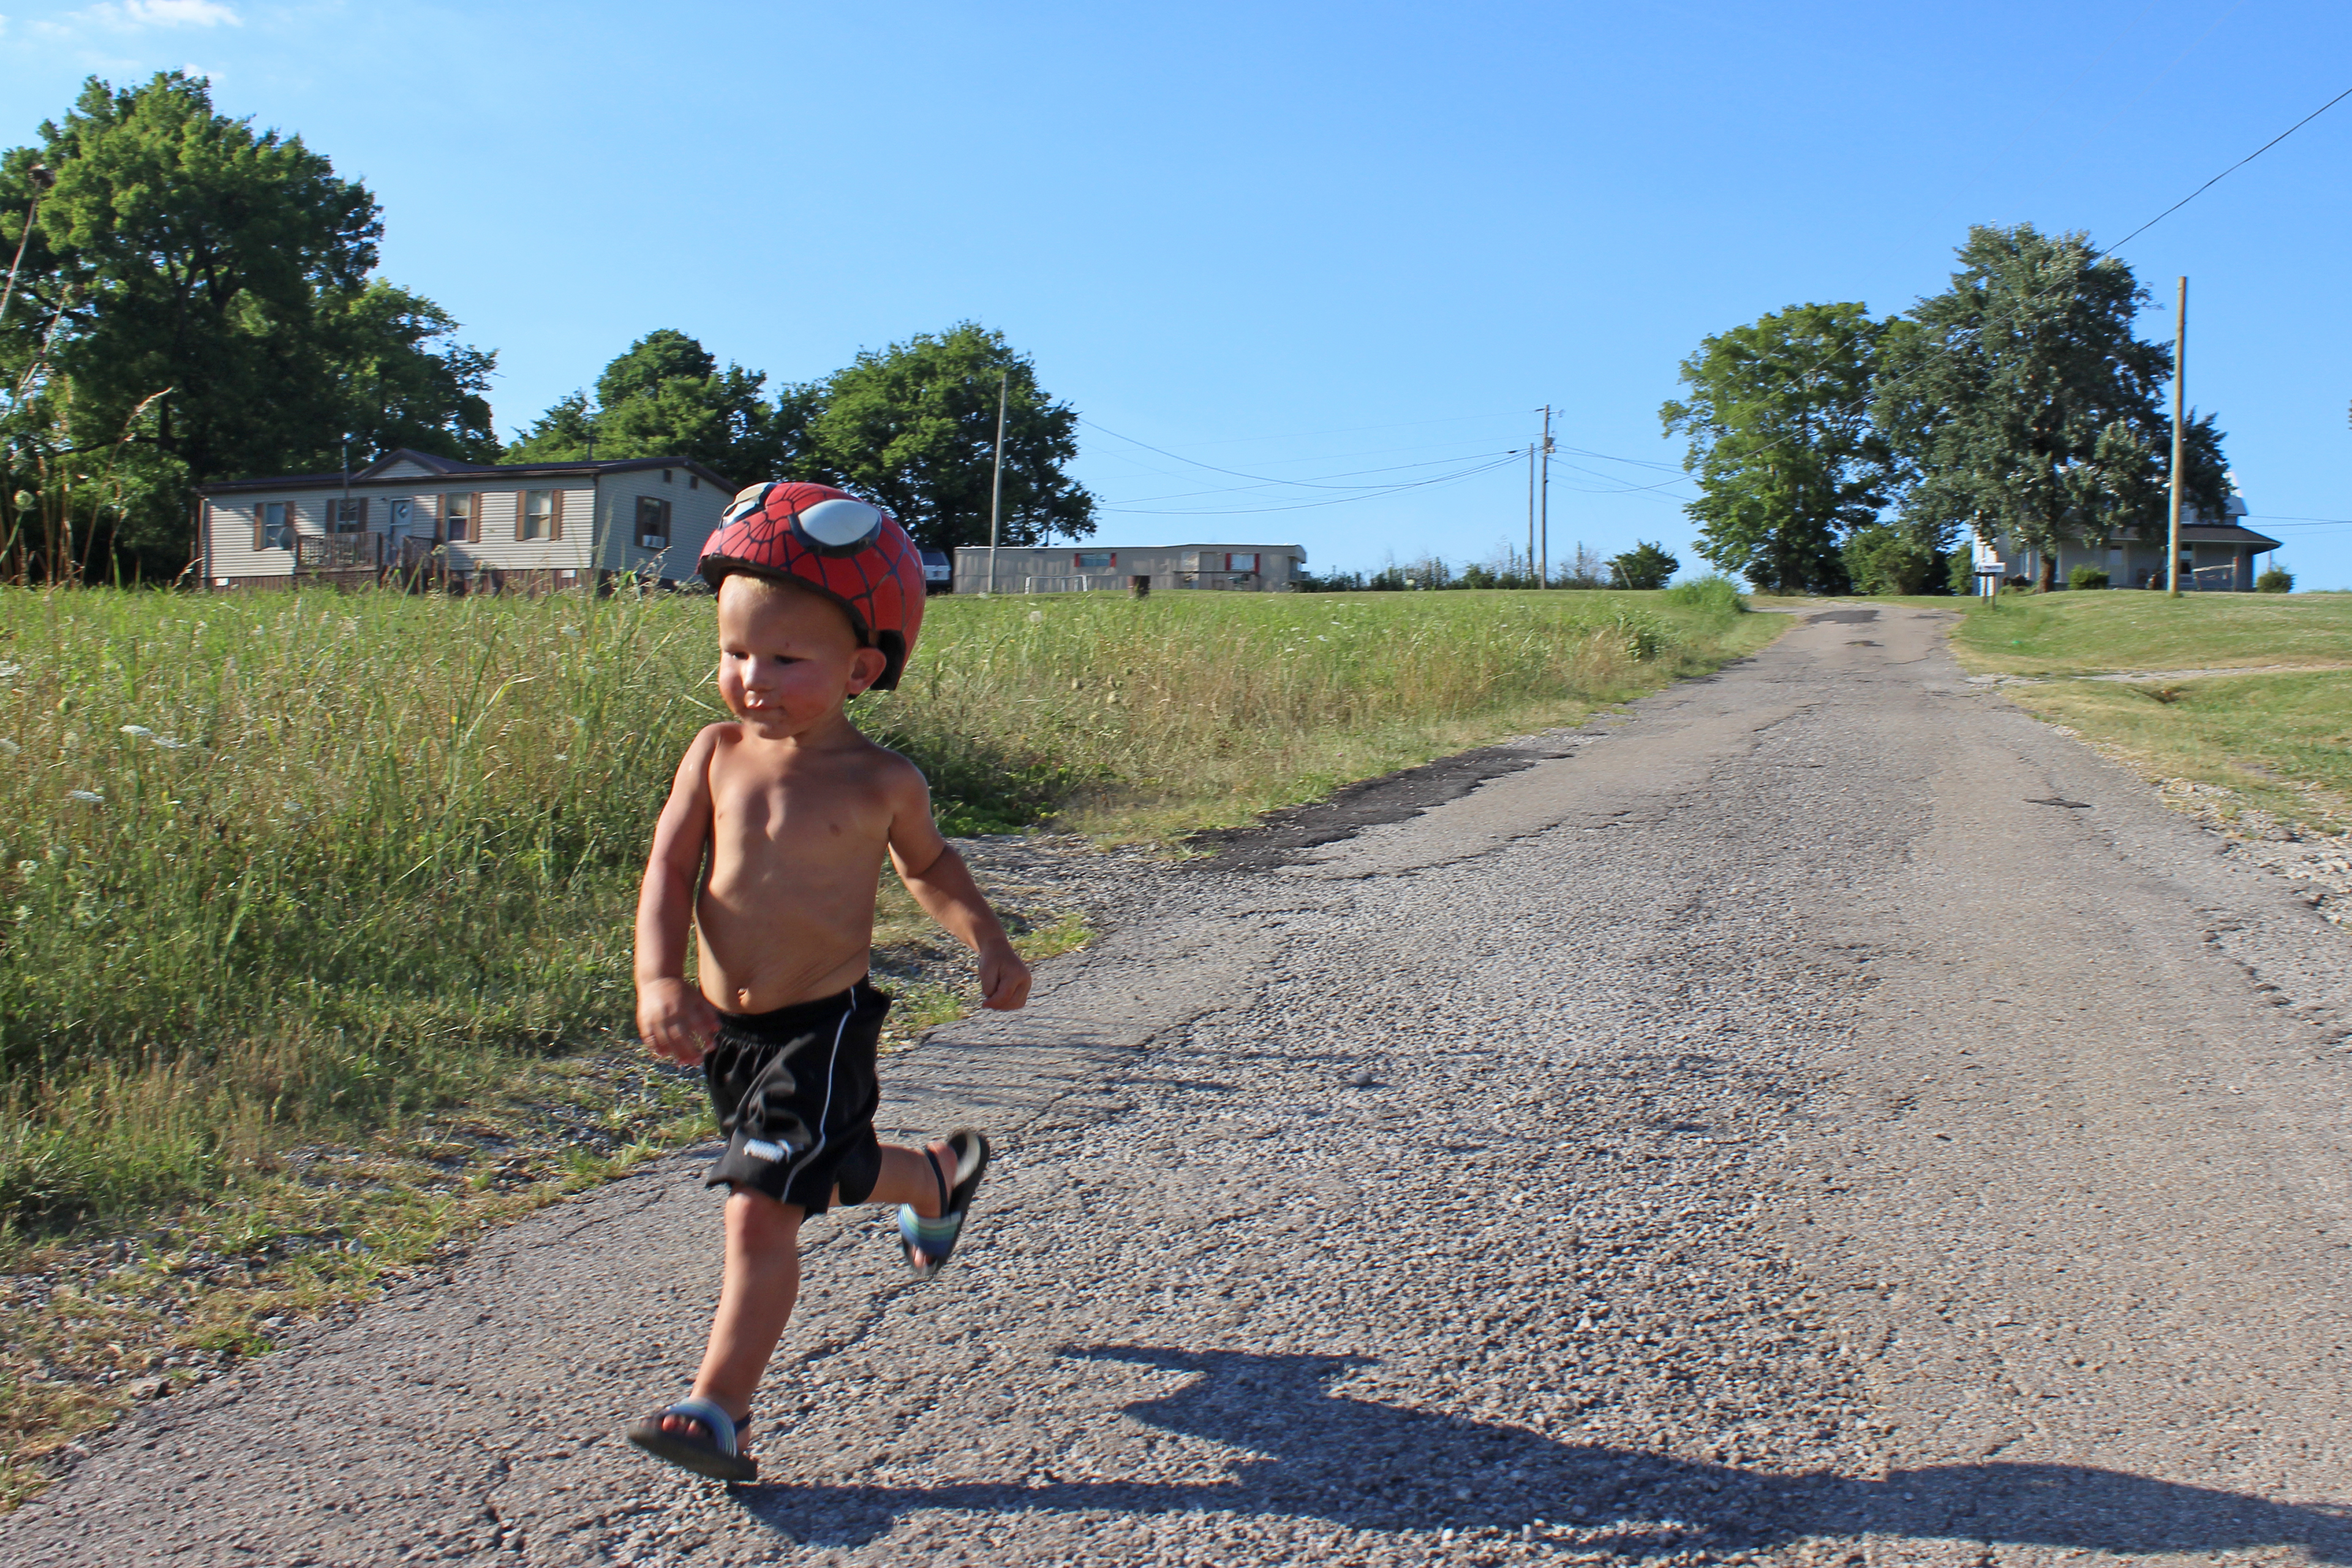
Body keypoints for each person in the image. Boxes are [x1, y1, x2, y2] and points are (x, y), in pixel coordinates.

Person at [625, 481, 1033, 1483]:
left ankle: (717, 1411)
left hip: (825, 1026)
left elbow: (928, 869)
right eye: (733, 654)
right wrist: (658, 978)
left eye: (785, 659)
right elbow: (670, 868)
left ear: (859, 667)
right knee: (830, 1170)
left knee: (761, 1204)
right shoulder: (715, 753)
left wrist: (986, 936)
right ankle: (937, 1177)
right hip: (731, 1032)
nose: (752, 678)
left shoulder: (880, 781)